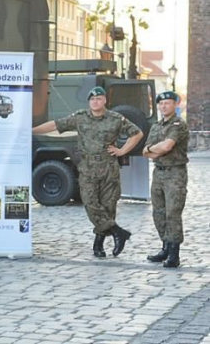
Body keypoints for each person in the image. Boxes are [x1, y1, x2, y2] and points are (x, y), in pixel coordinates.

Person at [32, 86, 143, 258]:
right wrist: (31, 131)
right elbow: (56, 124)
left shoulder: (115, 118)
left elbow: (137, 133)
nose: (95, 102)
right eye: (92, 99)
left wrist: (122, 151)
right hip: (88, 169)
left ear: (104, 100)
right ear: (89, 102)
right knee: (90, 204)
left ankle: (98, 245)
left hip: (108, 169)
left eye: (99, 98)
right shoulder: (81, 117)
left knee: (108, 207)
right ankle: (117, 232)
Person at [142, 91, 189, 268]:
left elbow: (168, 146)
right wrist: (155, 149)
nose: (164, 106)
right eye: (161, 104)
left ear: (175, 105)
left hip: (175, 174)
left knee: (173, 214)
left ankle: (174, 254)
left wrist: (153, 149)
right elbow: (144, 152)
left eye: (167, 103)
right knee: (159, 213)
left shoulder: (178, 124)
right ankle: (165, 247)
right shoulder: (156, 126)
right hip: (158, 173)